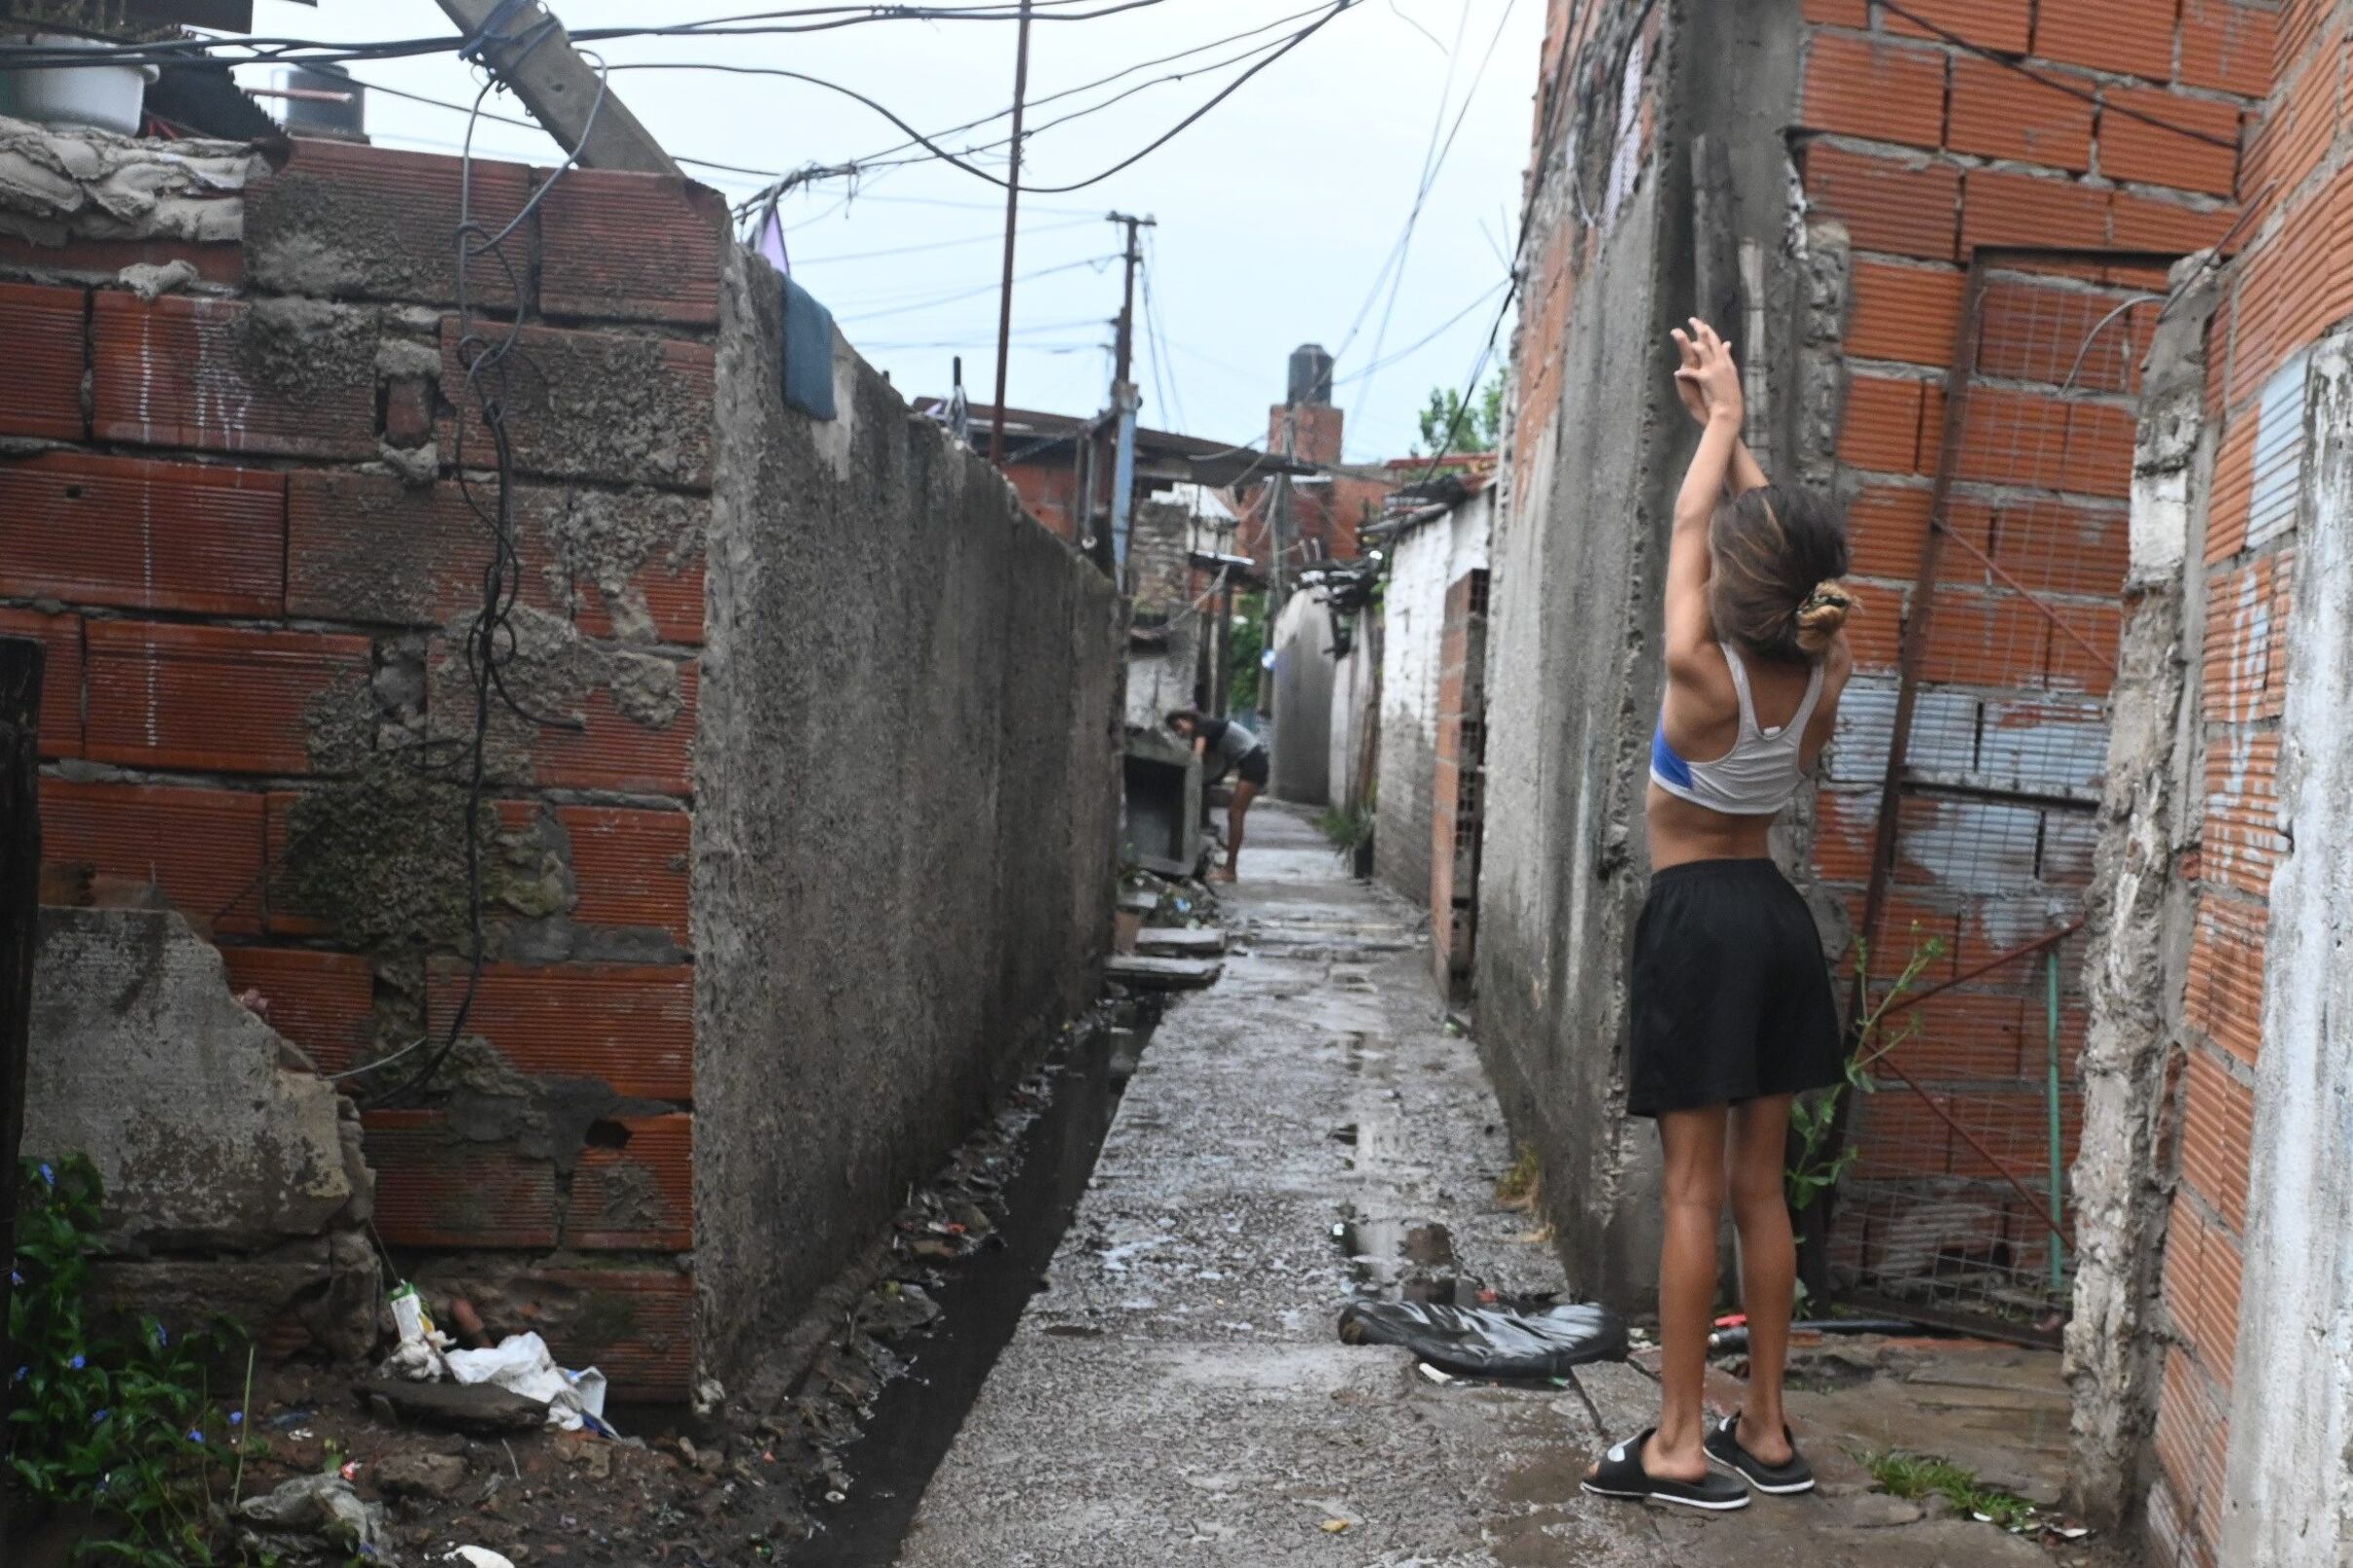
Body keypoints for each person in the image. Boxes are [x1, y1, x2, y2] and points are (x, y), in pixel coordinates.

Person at [1582, 319, 1857, 1511]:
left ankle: (1682, 1444)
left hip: (1697, 919)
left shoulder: (1703, 671)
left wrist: (1724, 428)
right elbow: (1777, 558)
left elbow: (1698, 533)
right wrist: (1737, 445)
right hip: (1777, 920)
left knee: (1692, 1194)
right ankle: (1771, 1430)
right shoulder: (1822, 672)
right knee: (1760, 1191)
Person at [1165, 709, 1268, 882]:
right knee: (1235, 814)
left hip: (1253, 762)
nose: (1179, 732)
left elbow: (1196, 760)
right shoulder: (1210, 729)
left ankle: (1230, 870)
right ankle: (1230, 867)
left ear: (1188, 719)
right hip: (1252, 761)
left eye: (1178, 726)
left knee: (1235, 814)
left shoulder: (1203, 728)